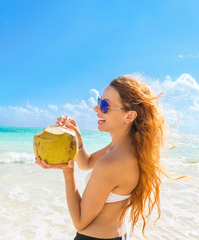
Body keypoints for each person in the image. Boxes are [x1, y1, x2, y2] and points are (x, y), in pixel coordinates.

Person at [35, 75, 169, 239]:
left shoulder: (111, 162)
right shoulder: (125, 148)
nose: (96, 109)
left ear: (129, 116)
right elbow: (87, 163)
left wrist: (67, 172)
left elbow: (80, 221)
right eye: (99, 101)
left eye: (105, 105)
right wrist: (77, 137)